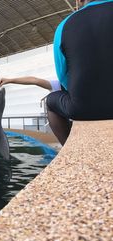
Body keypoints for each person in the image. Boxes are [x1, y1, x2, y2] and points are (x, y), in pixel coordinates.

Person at [48, 0, 113, 145]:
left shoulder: (64, 26)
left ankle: (68, 146)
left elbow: (63, 76)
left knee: (51, 102)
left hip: (83, 109)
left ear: (79, 1)